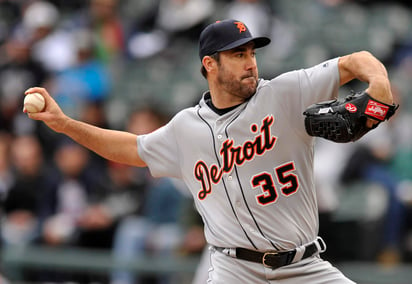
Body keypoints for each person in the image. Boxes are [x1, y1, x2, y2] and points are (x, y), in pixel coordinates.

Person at [24, 19, 395, 283]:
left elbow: (354, 61)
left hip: (303, 267)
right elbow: (130, 149)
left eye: (251, 51)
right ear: (209, 64)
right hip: (235, 271)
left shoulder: (284, 92)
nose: (250, 61)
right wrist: (66, 124)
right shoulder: (185, 128)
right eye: (237, 55)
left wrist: (379, 83)